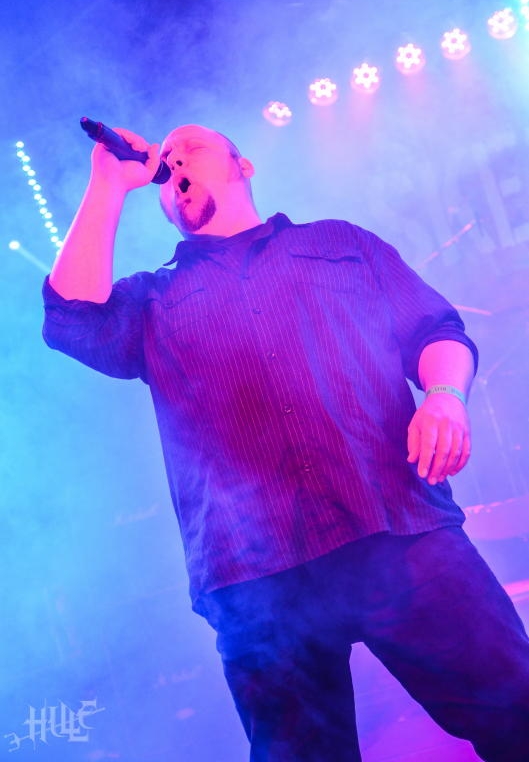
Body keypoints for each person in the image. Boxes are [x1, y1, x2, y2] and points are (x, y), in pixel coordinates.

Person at [42, 124, 529, 762]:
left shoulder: (340, 243)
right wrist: (108, 183)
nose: (175, 161)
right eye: (168, 160)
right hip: (255, 576)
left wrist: (444, 396)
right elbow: (71, 319)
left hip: (397, 527)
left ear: (243, 165)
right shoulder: (151, 297)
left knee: (516, 712)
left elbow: (436, 330)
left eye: (193, 149)